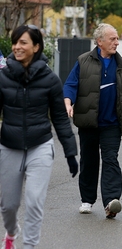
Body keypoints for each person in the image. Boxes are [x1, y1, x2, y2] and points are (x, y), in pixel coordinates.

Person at [0, 24, 78, 249]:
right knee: (8, 205)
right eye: (15, 42)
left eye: (23, 42)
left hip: (40, 146)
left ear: (36, 46)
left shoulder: (50, 79)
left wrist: (70, 153)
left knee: (34, 202)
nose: (17, 47)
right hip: (9, 146)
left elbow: (61, 119)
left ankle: (29, 246)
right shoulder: (3, 77)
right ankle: (12, 232)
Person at [63, 23, 122, 219]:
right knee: (89, 160)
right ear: (99, 41)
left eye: (117, 38)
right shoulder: (83, 61)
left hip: (112, 123)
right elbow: (71, 84)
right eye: (112, 39)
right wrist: (68, 102)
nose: (116, 42)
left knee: (110, 159)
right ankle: (87, 199)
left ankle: (111, 202)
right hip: (89, 122)